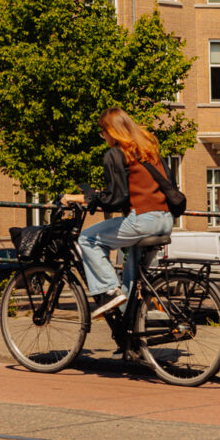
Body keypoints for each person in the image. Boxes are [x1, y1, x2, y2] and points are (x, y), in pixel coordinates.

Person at [62, 107, 174, 319]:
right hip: (166, 219)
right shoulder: (149, 150)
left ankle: (108, 291)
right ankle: (131, 345)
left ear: (111, 131)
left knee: (87, 238)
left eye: (103, 132)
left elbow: (116, 198)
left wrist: (83, 198)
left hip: (143, 220)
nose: (102, 137)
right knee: (131, 281)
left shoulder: (116, 153)